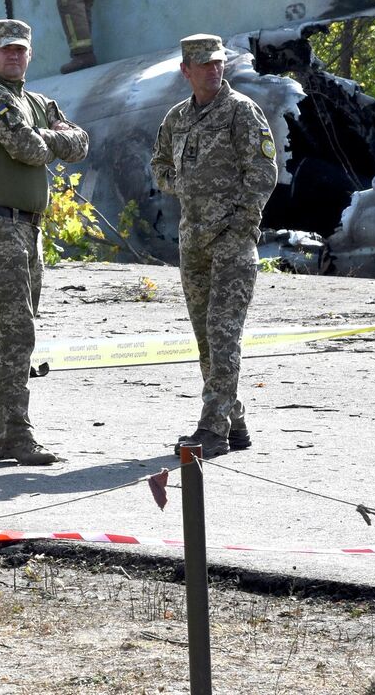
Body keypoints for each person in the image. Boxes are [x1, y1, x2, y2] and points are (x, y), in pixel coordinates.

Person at [0, 19, 89, 464]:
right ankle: (17, 435)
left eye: (20, 50)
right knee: (17, 328)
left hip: (27, 227)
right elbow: (27, 149)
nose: (13, 56)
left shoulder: (35, 101)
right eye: (6, 49)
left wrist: (47, 136)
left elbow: (80, 143)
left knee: (5, 327)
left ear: (30, 54)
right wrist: (50, 138)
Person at [151, 34, 277, 459]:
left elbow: (263, 172)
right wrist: (180, 184)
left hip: (232, 243)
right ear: (186, 70)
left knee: (224, 337)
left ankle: (213, 430)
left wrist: (241, 225)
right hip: (194, 243)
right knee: (207, 340)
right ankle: (234, 420)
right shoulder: (177, 118)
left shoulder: (241, 111)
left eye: (218, 62)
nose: (213, 69)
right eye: (203, 64)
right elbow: (160, 165)